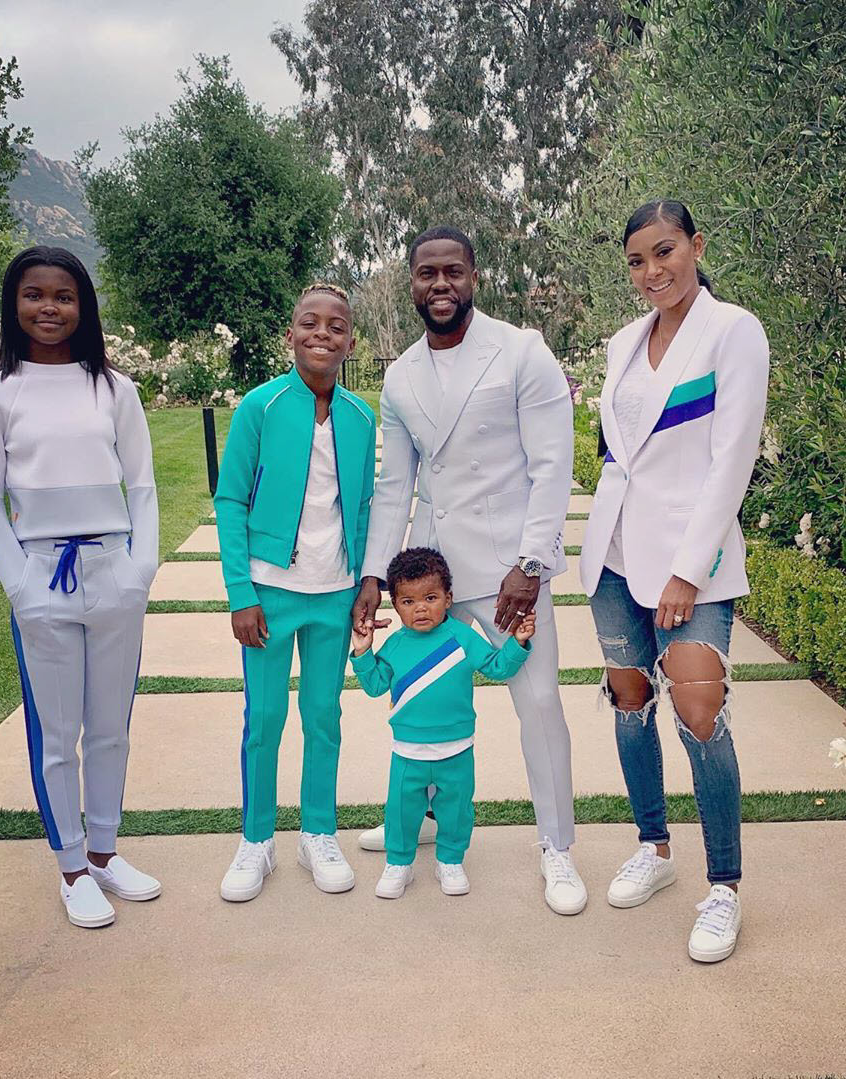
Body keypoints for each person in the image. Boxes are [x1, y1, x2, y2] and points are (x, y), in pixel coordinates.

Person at [352, 226, 587, 916]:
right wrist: (375, 576)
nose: (440, 284)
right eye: (427, 273)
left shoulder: (521, 351)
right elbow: (395, 485)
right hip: (435, 575)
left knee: (538, 704)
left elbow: (553, 465)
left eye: (452, 271)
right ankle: (421, 821)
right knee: (421, 694)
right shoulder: (400, 374)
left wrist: (531, 562)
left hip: (511, 570)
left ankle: (557, 846)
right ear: (412, 282)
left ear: (474, 277)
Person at [578, 199, 769, 963]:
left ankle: (723, 886)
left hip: (692, 563)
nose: (651, 271)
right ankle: (653, 847)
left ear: (696, 245)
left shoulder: (734, 331)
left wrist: (688, 570)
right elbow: (617, 452)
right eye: (636, 260)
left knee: (698, 711)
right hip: (615, 556)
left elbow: (732, 459)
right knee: (631, 702)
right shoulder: (625, 342)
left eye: (664, 251)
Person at [0, 246, 160, 929]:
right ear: (13, 304)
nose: (49, 307)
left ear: (84, 306)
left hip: (113, 572)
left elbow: (142, 486)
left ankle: (105, 851)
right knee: (58, 734)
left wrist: (140, 571)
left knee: (110, 729)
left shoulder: (114, 389)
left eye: (64, 295)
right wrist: (19, 585)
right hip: (42, 576)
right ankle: (72, 866)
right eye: (34, 294)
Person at [214, 283, 376, 902]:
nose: (322, 334)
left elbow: (364, 505)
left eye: (337, 326)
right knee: (264, 718)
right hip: (269, 593)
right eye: (310, 322)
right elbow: (231, 500)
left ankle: (318, 834)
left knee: (323, 716)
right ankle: (256, 840)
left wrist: (367, 581)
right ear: (290, 335)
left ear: (351, 343)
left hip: (335, 594)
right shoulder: (260, 406)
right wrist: (240, 592)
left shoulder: (361, 418)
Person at [351, 548, 535, 899]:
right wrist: (363, 652)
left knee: (456, 810)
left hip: (457, 748)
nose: (420, 608)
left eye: (430, 598)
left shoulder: (462, 637)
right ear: (396, 605)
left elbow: (497, 667)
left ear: (448, 599)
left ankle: (450, 861)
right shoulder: (395, 645)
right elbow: (375, 686)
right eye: (408, 601)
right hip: (408, 752)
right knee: (401, 811)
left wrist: (518, 643)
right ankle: (399, 863)